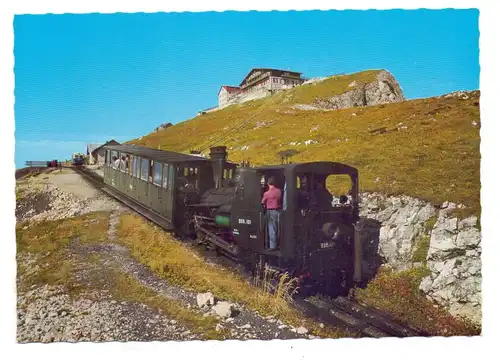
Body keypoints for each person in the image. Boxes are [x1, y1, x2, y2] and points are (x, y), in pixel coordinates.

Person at [261, 176, 282, 251]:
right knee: (277, 229)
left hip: (270, 212)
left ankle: (272, 246)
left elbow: (262, 202)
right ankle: (278, 244)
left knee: (271, 229)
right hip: (278, 211)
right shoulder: (279, 191)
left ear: (268, 183)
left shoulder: (267, 193)